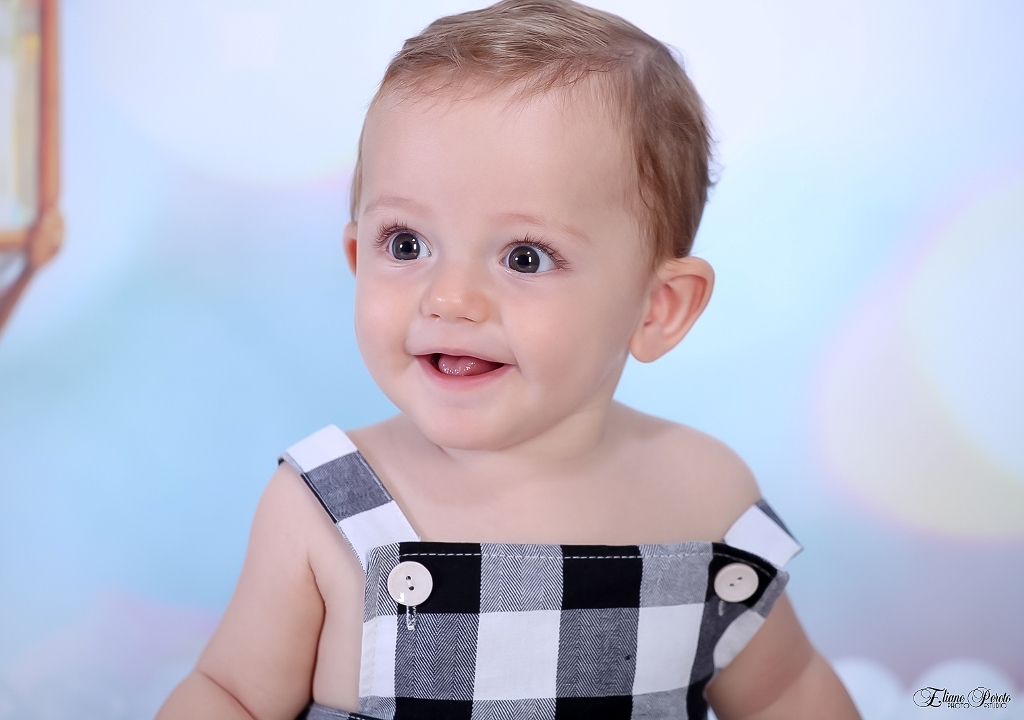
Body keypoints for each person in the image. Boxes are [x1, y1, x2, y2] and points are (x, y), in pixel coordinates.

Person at [157, 1, 860, 718]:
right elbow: (232, 696)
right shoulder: (328, 506)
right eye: (406, 245)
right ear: (356, 257)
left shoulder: (703, 493)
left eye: (525, 257)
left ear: (658, 308)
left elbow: (786, 692)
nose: (450, 298)